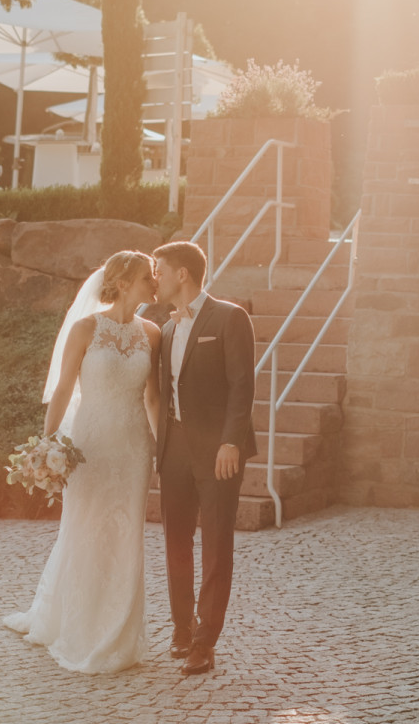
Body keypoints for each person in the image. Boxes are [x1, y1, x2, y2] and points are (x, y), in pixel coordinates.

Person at [3, 250, 162, 673]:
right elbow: (62, 390)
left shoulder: (153, 333)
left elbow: (152, 397)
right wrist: (47, 442)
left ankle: (118, 632)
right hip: (90, 445)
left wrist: (161, 447)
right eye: (149, 276)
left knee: (127, 534)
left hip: (132, 449)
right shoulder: (85, 328)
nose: (156, 283)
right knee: (84, 528)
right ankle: (75, 623)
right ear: (125, 281)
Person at [151, 240, 257, 677]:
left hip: (218, 452)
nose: (154, 278)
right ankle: (181, 627)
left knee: (215, 544)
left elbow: (242, 384)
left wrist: (231, 441)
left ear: (182, 274)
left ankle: (204, 642)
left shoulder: (231, 317)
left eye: (159, 270)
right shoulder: (168, 328)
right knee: (175, 540)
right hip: (173, 447)